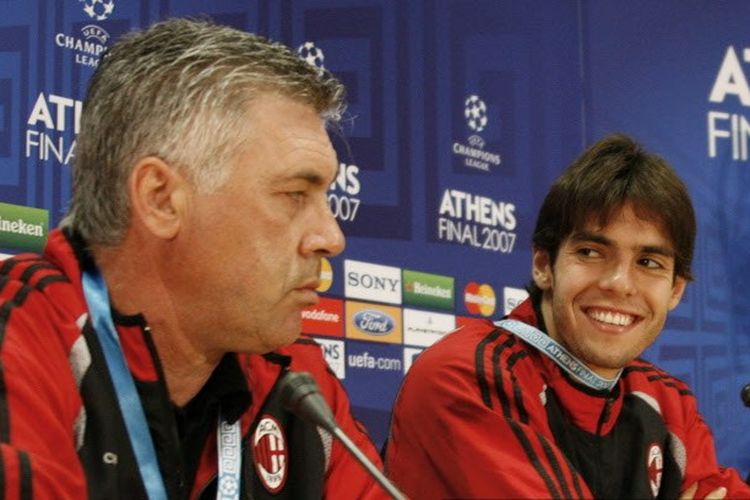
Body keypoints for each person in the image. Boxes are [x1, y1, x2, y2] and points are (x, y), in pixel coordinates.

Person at [0, 18, 386, 499]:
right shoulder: (22, 340)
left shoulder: (298, 382)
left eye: (325, 197)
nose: (330, 237)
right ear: (161, 199)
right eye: (293, 193)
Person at [385, 134, 750, 499]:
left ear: (675, 291)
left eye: (648, 263)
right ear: (544, 265)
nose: (620, 284)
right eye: (591, 252)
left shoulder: (669, 403)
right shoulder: (467, 374)